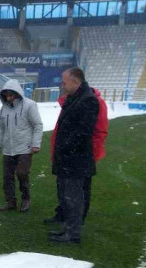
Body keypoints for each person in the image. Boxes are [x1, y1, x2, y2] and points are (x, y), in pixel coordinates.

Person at [48, 67, 99, 244]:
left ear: (75, 82)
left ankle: (73, 233)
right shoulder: (74, 98)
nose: (62, 85)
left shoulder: (88, 101)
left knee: (74, 198)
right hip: (66, 158)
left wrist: (66, 148)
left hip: (76, 159)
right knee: (66, 197)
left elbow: (83, 132)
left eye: (64, 82)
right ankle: (67, 229)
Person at [47, 83, 108, 225]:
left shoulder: (94, 102)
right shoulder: (70, 101)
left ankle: (77, 219)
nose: (63, 87)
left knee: (81, 188)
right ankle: (63, 213)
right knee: (62, 186)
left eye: (65, 83)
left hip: (82, 154)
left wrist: (92, 152)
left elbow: (100, 131)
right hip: (65, 152)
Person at [0, 79, 44, 212]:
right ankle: (10, 202)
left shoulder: (30, 105)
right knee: (7, 177)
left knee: (22, 173)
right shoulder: (4, 108)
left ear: (17, 94)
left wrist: (36, 144)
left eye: (10, 95)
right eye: (6, 95)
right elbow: (1, 128)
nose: (8, 98)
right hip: (8, 149)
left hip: (25, 147)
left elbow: (38, 125)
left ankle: (26, 199)